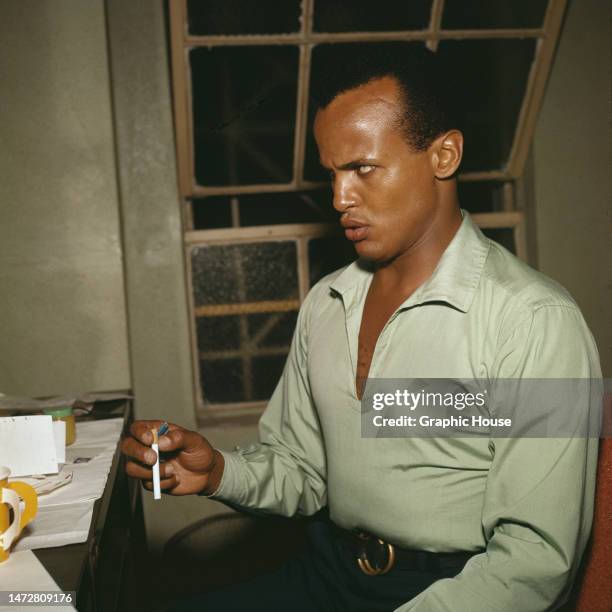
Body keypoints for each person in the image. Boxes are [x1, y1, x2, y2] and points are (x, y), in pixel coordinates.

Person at [122, 45, 601, 611]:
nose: (339, 197)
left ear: (444, 155)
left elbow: (535, 561)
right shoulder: (327, 303)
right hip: (324, 570)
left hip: (450, 591)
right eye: (332, 173)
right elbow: (304, 471)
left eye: (362, 168)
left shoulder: (536, 322)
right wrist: (219, 472)